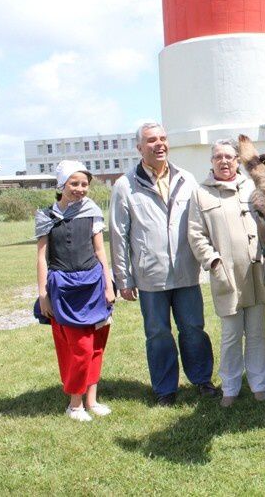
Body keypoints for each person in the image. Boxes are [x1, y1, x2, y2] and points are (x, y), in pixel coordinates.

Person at [110, 122, 219, 406]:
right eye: (150, 140)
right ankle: (165, 389)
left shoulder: (187, 179)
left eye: (162, 138)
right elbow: (119, 234)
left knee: (194, 328)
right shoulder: (125, 185)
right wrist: (124, 279)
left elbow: (200, 223)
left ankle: (202, 380)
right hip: (150, 276)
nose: (159, 144)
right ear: (139, 148)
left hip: (186, 272)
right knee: (158, 334)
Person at [188, 139, 265, 408]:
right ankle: (230, 386)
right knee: (230, 335)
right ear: (212, 161)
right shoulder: (201, 193)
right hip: (227, 275)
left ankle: (259, 384)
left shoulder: (251, 187)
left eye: (229, 156)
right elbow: (196, 234)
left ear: (238, 160)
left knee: (256, 332)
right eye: (218, 157)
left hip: (255, 271)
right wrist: (212, 262)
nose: (224, 161)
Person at [34, 161, 114, 422]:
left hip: (93, 285)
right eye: (74, 183)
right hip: (64, 289)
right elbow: (41, 257)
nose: (80, 189)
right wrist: (43, 294)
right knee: (78, 348)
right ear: (62, 185)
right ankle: (74, 404)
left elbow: (100, 250)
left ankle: (91, 400)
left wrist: (108, 284)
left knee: (96, 347)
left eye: (84, 184)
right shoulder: (46, 216)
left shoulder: (92, 211)